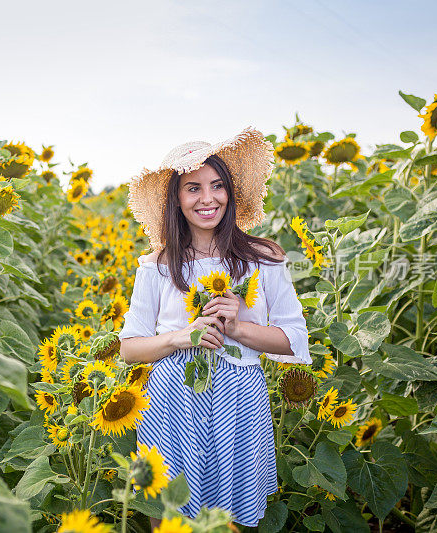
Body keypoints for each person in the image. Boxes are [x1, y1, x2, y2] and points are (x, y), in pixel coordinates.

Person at [118, 128, 311, 530]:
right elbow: (129, 348)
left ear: (231, 193)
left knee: (233, 516)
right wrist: (180, 336)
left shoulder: (263, 257)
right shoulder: (158, 264)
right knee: (168, 512)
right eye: (193, 188)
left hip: (240, 396)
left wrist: (239, 328)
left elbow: (292, 338)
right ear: (176, 198)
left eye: (217, 186)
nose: (208, 199)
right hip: (172, 396)